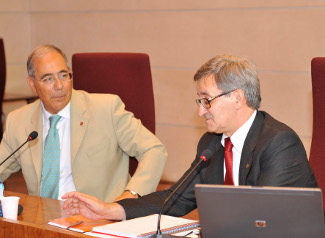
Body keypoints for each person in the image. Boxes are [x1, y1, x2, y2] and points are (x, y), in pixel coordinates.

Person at [62, 54, 317, 220]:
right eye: (199, 101)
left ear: (237, 98)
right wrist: (110, 209)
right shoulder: (212, 143)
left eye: (207, 100)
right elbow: (175, 198)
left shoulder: (279, 143)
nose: (200, 111)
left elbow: (264, 219)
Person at [0, 45, 167, 202]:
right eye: (48, 79)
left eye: (64, 75)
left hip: (97, 221)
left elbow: (154, 150)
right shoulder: (18, 121)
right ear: (32, 84)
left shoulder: (106, 109)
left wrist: (130, 196)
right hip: (41, 222)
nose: (59, 86)